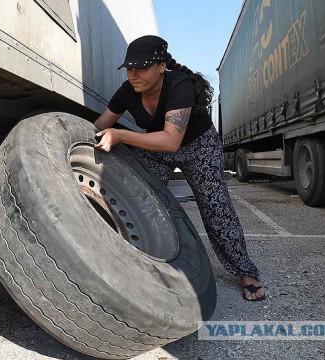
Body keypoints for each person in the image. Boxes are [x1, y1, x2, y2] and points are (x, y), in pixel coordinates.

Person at [94, 35, 266, 301]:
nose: (133, 74)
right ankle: (140, 262)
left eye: (141, 67)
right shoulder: (128, 91)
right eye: (129, 68)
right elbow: (101, 123)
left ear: (161, 66)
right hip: (158, 148)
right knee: (140, 197)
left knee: (216, 209)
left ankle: (246, 271)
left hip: (198, 147)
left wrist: (121, 135)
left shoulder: (180, 84)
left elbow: (171, 140)